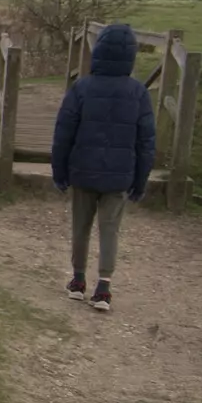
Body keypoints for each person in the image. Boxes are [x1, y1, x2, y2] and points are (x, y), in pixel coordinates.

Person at [50, 23, 156, 312]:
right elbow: (146, 141)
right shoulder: (138, 93)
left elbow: (63, 133)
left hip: (83, 170)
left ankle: (78, 281)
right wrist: (140, 180)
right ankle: (104, 288)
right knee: (110, 230)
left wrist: (59, 171)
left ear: (98, 52)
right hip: (120, 176)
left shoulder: (82, 87)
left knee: (80, 227)